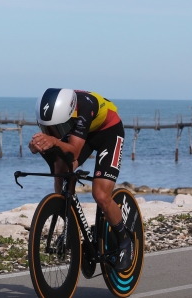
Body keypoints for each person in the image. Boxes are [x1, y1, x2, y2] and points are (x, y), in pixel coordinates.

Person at [28, 88, 132, 271]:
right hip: (83, 131)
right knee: (61, 168)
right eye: (48, 128)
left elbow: (74, 151)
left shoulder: (84, 106)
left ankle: (125, 241)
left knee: (100, 195)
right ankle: (67, 219)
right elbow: (59, 161)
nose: (53, 132)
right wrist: (42, 148)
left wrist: (53, 142)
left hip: (109, 132)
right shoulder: (61, 112)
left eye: (57, 127)